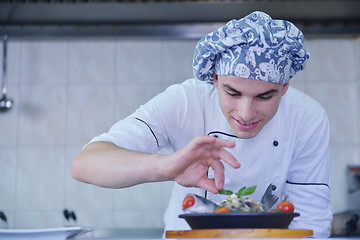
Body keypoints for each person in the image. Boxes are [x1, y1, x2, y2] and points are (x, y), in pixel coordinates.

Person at [71, 11, 332, 237]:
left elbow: (311, 222)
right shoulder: (185, 101)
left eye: (265, 96)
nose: (246, 113)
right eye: (232, 93)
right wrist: (165, 167)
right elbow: (85, 164)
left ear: (284, 87)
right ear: (215, 79)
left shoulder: (307, 118)